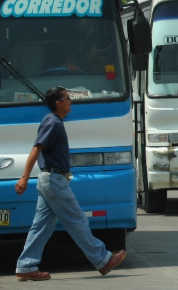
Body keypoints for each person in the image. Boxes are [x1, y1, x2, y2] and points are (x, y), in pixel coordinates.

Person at [14, 86, 127, 281]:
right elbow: (36, 150)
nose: (71, 101)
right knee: (77, 220)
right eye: (67, 98)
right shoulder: (53, 122)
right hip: (54, 181)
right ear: (58, 103)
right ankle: (103, 259)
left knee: (40, 227)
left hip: (50, 180)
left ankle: (26, 266)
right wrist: (24, 177)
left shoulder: (54, 121)